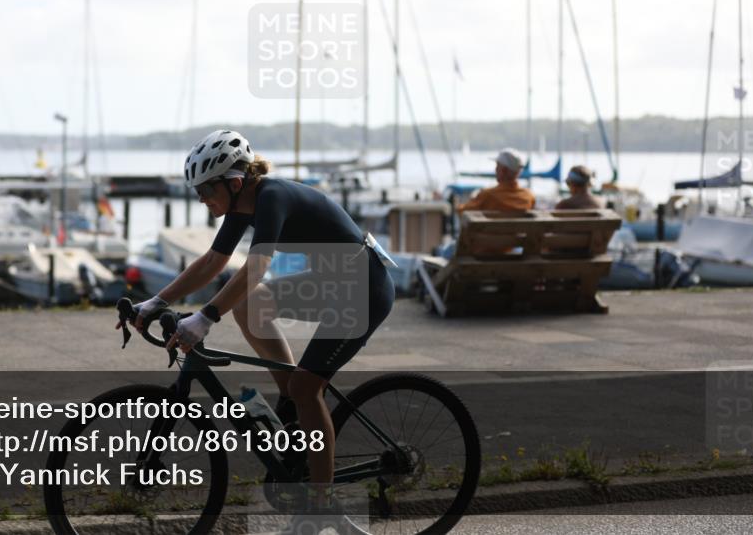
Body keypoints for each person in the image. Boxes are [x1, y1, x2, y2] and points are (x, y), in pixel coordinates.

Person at [120, 129, 395, 524]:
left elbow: (257, 266)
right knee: (252, 305)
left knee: (307, 385)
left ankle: (321, 506)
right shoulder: (240, 205)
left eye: (205, 190)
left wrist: (205, 317)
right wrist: (156, 301)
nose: (201, 198)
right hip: (334, 280)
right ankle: (292, 407)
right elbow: (212, 262)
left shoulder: (273, 197)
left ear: (234, 183)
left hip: (364, 291)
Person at [458, 148, 535, 212]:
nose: (495, 169)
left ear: (503, 170)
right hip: (519, 231)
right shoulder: (529, 197)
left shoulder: (487, 195)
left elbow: (463, 212)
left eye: (497, 166)